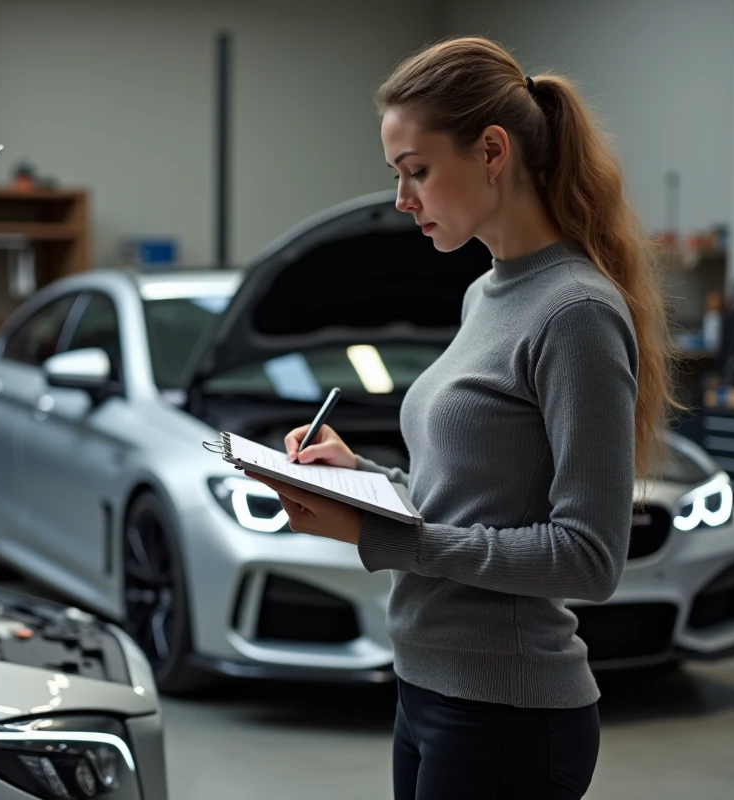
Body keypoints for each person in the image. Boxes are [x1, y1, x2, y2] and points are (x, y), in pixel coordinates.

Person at [245, 36, 676, 800]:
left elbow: (588, 558)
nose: (403, 199)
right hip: (428, 686)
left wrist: (386, 535)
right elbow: (473, 494)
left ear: (492, 151)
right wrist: (364, 482)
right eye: (397, 176)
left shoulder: (574, 312)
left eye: (417, 172)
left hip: (508, 712)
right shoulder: (486, 292)